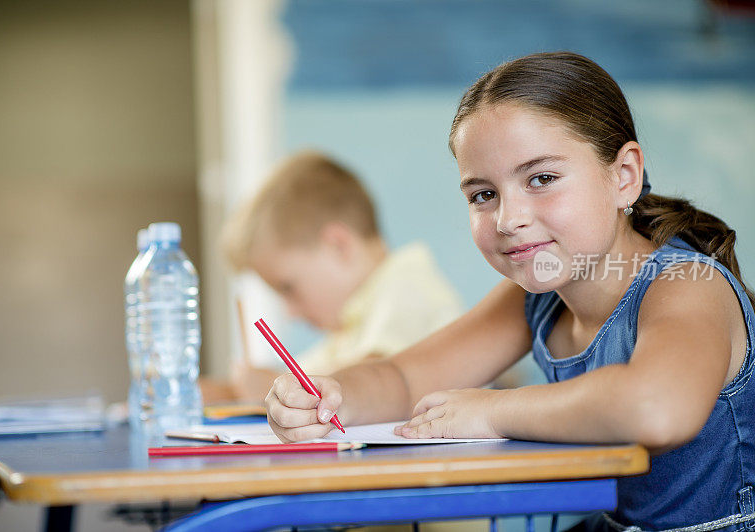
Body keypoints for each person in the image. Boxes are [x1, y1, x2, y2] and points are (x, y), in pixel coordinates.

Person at [264, 52, 755, 532]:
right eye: (483, 194)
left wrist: (493, 411)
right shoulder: (534, 298)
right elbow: (405, 379)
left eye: (541, 178)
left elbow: (656, 409)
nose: (508, 218)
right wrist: (331, 395)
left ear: (623, 177)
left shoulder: (687, 285)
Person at [200, 150, 464, 404]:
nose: (290, 312)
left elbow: (377, 375)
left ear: (339, 246)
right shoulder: (350, 326)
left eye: (288, 288)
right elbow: (306, 376)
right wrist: (226, 391)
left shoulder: (407, 284)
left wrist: (273, 383)